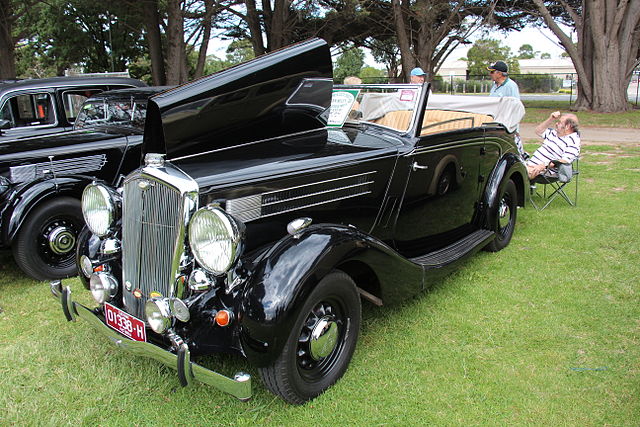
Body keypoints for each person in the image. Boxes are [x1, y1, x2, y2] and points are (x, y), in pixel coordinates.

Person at [526, 111, 580, 179]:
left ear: (567, 126)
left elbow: (564, 161)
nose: (556, 124)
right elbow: (538, 131)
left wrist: (542, 166)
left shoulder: (573, 142)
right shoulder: (554, 133)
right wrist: (551, 118)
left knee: (518, 174)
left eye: (560, 122)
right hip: (530, 164)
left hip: (546, 171)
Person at [487, 60, 524, 156]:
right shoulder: (494, 86)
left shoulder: (511, 86)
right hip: (495, 124)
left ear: (499, 73)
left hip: (506, 128)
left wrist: (513, 130)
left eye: (492, 72)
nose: (490, 74)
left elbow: (515, 108)